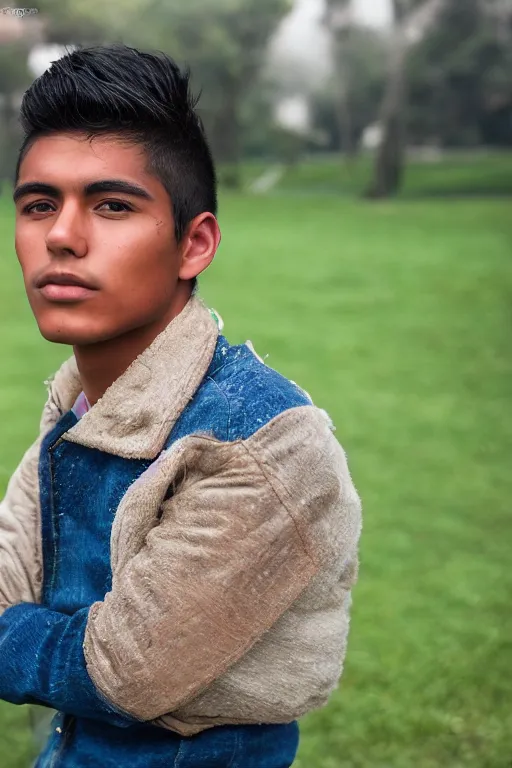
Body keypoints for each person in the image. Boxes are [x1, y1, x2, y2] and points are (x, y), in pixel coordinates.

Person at [0, 44, 362, 768]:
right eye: (39, 204)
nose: (61, 237)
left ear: (193, 243)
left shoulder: (262, 446)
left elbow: (119, 671)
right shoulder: (81, 401)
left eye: (111, 205)